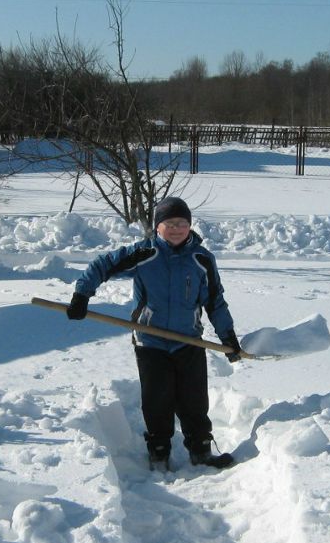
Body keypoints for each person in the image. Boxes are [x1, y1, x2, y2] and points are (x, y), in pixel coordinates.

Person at [66, 196, 241, 471]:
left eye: (182, 223)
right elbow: (103, 264)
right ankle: (159, 452)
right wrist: (82, 294)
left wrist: (228, 336)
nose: (176, 228)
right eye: (169, 223)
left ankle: (201, 450)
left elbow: (214, 300)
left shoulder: (202, 259)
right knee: (157, 399)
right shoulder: (144, 253)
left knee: (194, 400)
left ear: (190, 226)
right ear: (157, 226)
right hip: (150, 340)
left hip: (189, 340)